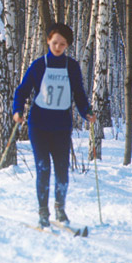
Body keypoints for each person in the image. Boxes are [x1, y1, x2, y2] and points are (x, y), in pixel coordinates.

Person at [12, 23, 96, 228]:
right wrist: (17, 111)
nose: (58, 47)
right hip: (39, 125)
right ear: (48, 40)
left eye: (63, 44)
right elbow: (22, 91)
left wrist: (86, 112)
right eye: (55, 42)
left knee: (62, 170)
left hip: (61, 126)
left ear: (67, 45)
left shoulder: (72, 66)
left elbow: (78, 93)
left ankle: (60, 209)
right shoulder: (39, 65)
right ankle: (43, 212)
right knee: (43, 168)